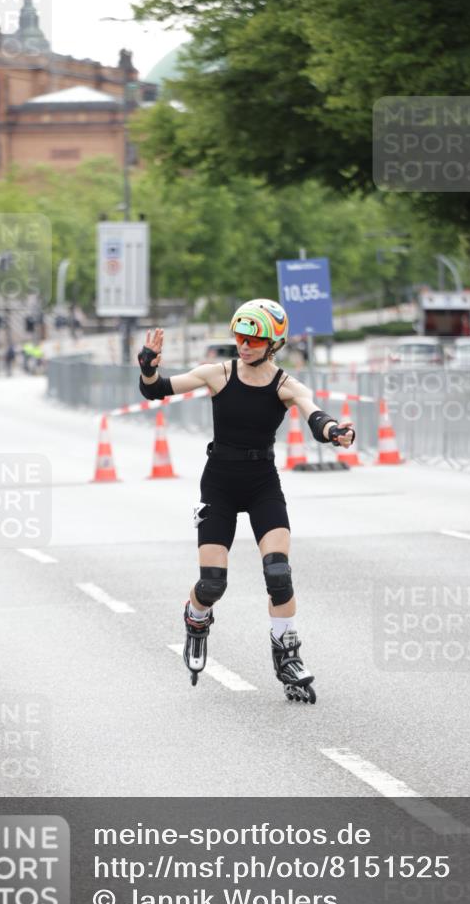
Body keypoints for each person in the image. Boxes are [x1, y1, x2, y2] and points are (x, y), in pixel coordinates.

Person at [137, 299, 355, 704]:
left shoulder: (286, 385)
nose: (244, 345)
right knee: (212, 584)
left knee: (278, 574)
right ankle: (196, 619)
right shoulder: (218, 373)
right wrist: (148, 366)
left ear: (274, 343)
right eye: (239, 337)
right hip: (219, 483)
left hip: (261, 484)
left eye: (253, 340)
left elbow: (315, 416)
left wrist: (334, 432)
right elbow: (155, 390)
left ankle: (288, 656)